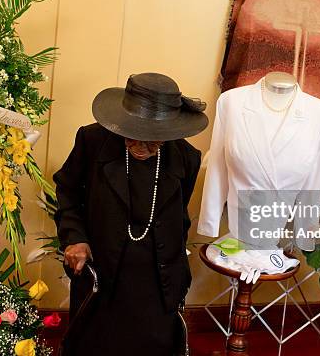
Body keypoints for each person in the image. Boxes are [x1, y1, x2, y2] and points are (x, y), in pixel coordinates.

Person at [53, 73, 207, 355]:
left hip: (157, 282)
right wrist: (74, 238)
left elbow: (178, 215)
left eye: (153, 141)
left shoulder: (187, 157)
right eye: (132, 136)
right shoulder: (92, 141)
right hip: (104, 274)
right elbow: (67, 191)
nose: (140, 147)